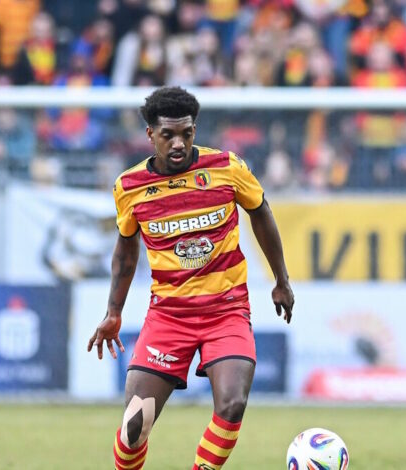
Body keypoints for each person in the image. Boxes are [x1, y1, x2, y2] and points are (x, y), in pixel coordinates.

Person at [87, 87, 295, 470]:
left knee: (232, 403)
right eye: (168, 135)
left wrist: (281, 280)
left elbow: (261, 211)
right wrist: (114, 311)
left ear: (194, 130)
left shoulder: (227, 168)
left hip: (227, 311)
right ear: (151, 134)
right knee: (134, 428)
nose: (179, 143)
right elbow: (126, 252)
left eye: (186, 133)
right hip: (168, 317)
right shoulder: (129, 188)